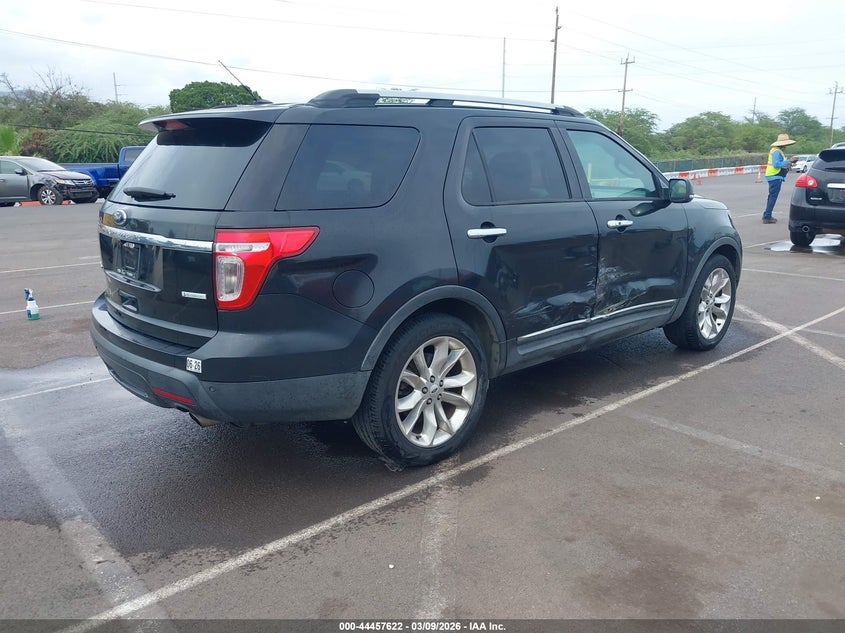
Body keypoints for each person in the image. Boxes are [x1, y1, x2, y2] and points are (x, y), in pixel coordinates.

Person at [762, 133, 798, 224]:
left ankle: (767, 214)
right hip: (775, 176)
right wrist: (790, 161)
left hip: (773, 175)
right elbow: (777, 164)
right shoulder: (777, 152)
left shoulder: (776, 151)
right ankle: (767, 216)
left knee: (771, 196)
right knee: (773, 197)